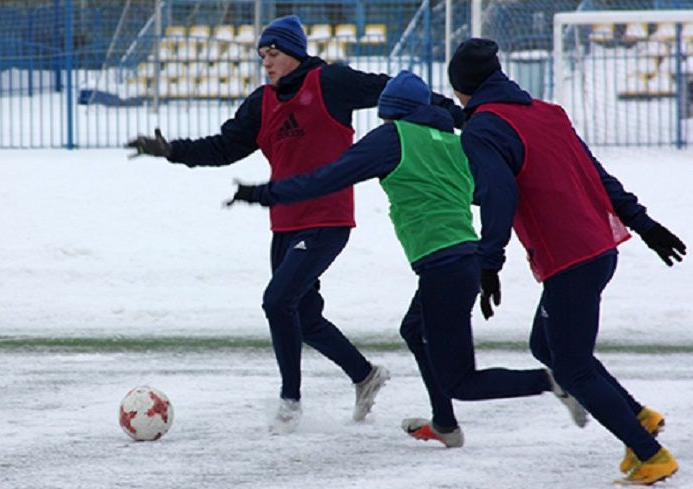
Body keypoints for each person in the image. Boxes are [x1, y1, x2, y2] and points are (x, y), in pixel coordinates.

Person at [125, 15, 463, 434]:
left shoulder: (329, 83)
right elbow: (225, 147)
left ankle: (290, 402)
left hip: (327, 217)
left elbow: (393, 90)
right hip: (284, 222)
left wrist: (459, 113)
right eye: (262, 55)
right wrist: (170, 149)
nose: (266, 62)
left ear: (296, 53)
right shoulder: (261, 102)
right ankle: (364, 374)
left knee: (277, 301)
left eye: (274, 53)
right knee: (303, 314)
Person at [225, 70, 589, 448]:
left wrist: (264, 194)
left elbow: (328, 178)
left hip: (443, 268)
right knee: (414, 329)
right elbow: (493, 193)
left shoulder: (392, 138)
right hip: (462, 261)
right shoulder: (453, 142)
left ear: (392, 111)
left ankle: (552, 382)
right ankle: (445, 424)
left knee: (462, 381)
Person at [447, 38, 686, 485]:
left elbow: (499, 196)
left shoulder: (483, 129)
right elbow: (595, 173)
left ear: (463, 86)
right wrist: (644, 224)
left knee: (572, 365)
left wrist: (489, 261)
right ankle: (639, 416)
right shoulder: (545, 112)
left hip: (569, 259)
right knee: (548, 347)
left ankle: (650, 455)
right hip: (598, 247)